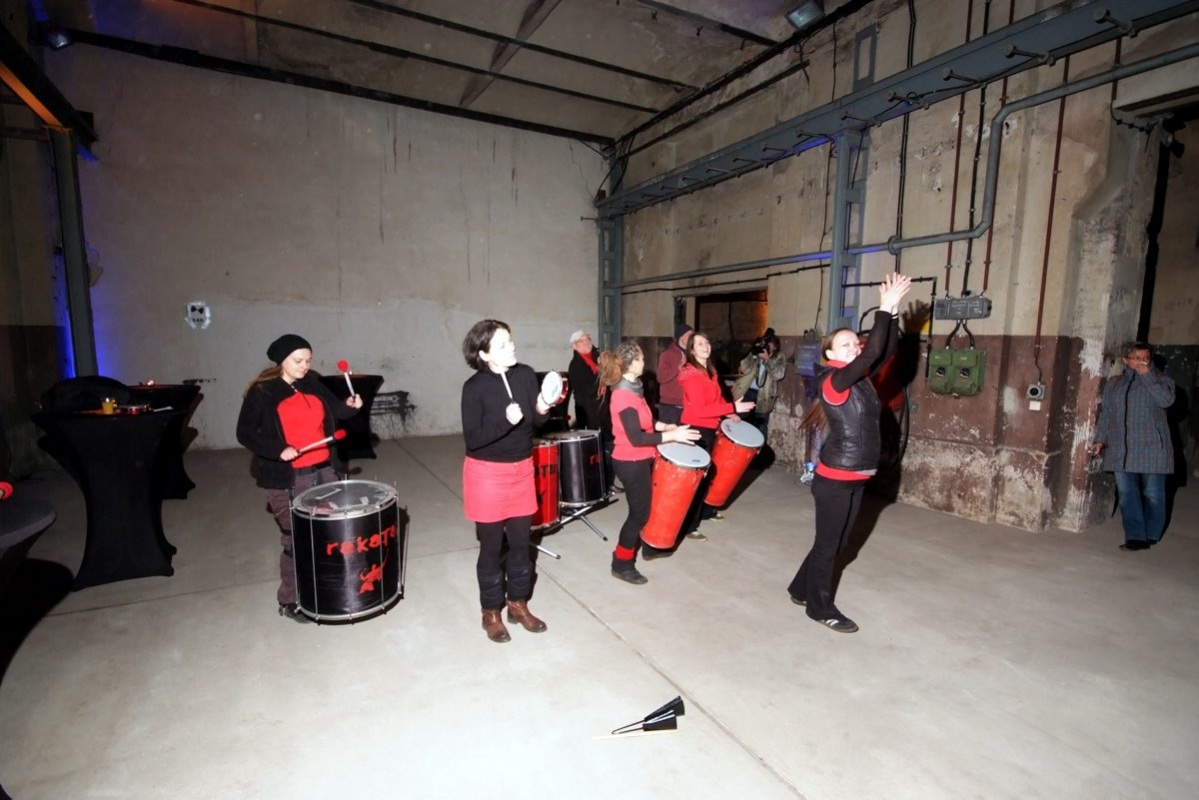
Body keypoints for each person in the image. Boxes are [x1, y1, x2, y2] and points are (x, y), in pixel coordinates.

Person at [787, 273, 910, 633]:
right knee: (830, 546)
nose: (854, 347)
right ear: (828, 355)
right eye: (845, 345)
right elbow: (873, 352)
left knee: (838, 542)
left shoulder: (860, 381)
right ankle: (818, 607)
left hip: (856, 477)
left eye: (855, 343)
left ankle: (799, 588)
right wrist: (883, 308)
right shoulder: (833, 381)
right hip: (836, 480)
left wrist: (895, 313)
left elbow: (883, 351)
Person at [236, 334, 363, 624]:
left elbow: (336, 411)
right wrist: (277, 450)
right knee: (296, 539)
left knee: (331, 535)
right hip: (288, 477)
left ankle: (329, 589)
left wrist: (351, 405)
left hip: (324, 470)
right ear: (281, 360)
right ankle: (290, 599)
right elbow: (245, 433)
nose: (304, 366)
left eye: (308, 360)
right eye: (298, 361)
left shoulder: (312, 382)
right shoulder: (263, 391)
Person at [461, 319, 563, 643]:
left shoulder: (523, 374)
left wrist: (544, 406)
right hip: (486, 474)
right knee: (491, 547)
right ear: (484, 354)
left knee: (521, 545)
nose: (512, 347)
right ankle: (490, 611)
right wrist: (504, 422)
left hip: (521, 470)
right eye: (503, 344)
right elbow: (473, 439)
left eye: (511, 340)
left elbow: (537, 422)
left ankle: (517, 604)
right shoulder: (474, 388)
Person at [598, 342, 701, 583]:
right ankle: (621, 563)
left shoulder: (634, 388)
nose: (645, 362)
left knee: (645, 508)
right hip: (630, 461)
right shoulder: (623, 395)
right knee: (638, 514)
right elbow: (636, 437)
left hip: (641, 458)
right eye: (642, 358)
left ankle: (648, 546)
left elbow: (645, 422)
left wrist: (664, 426)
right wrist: (673, 436)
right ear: (632, 363)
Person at [1090, 342, 1176, 551]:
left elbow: (1166, 401)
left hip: (1153, 447)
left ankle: (1152, 533)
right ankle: (1136, 537)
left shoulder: (1162, 380)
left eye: (1145, 358)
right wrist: (1100, 439)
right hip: (1121, 447)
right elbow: (1107, 414)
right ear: (1126, 361)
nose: (1141, 362)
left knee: (1153, 494)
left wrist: (1147, 375)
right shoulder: (1114, 383)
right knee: (1128, 494)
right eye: (1136, 358)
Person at [678, 331, 755, 541]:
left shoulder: (709, 371)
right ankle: (688, 526)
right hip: (696, 429)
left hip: (709, 428)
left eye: (707, 342)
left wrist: (728, 411)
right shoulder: (691, 374)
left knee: (707, 475)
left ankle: (703, 513)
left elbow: (716, 399)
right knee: (697, 479)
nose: (706, 346)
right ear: (692, 350)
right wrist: (732, 406)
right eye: (700, 343)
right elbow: (701, 409)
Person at [732, 329, 787, 439]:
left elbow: (779, 374)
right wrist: (752, 354)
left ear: (775, 347)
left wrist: (767, 360)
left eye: (767, 344)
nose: (764, 346)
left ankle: (760, 453)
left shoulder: (778, 357)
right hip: (747, 393)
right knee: (741, 423)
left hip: (764, 397)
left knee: (760, 427)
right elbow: (743, 368)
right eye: (763, 344)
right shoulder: (756, 355)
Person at [656, 323, 692, 425]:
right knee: (670, 439)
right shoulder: (667, 354)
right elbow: (661, 377)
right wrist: (678, 367)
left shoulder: (692, 354)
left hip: (688, 405)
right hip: (670, 407)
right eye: (689, 335)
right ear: (681, 336)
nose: (692, 338)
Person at [567, 330, 601, 429]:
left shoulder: (598, 357)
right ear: (574, 346)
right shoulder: (575, 365)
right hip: (588, 414)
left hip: (604, 411)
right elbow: (588, 390)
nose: (586, 342)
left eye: (587, 339)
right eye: (581, 341)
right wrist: (601, 372)